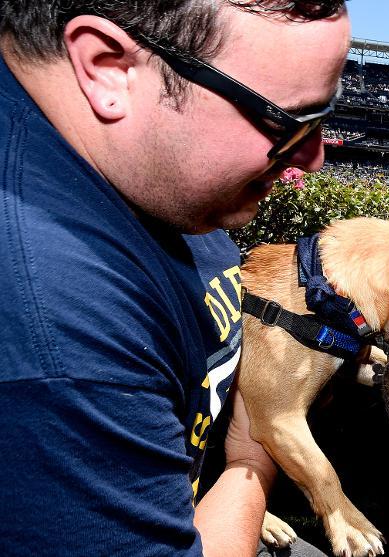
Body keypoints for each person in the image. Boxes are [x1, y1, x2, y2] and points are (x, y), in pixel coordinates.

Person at [0, 1, 349, 555]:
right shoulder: (56, 333)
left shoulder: (146, 171)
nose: (312, 158)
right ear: (108, 68)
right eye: (286, 122)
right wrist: (253, 456)